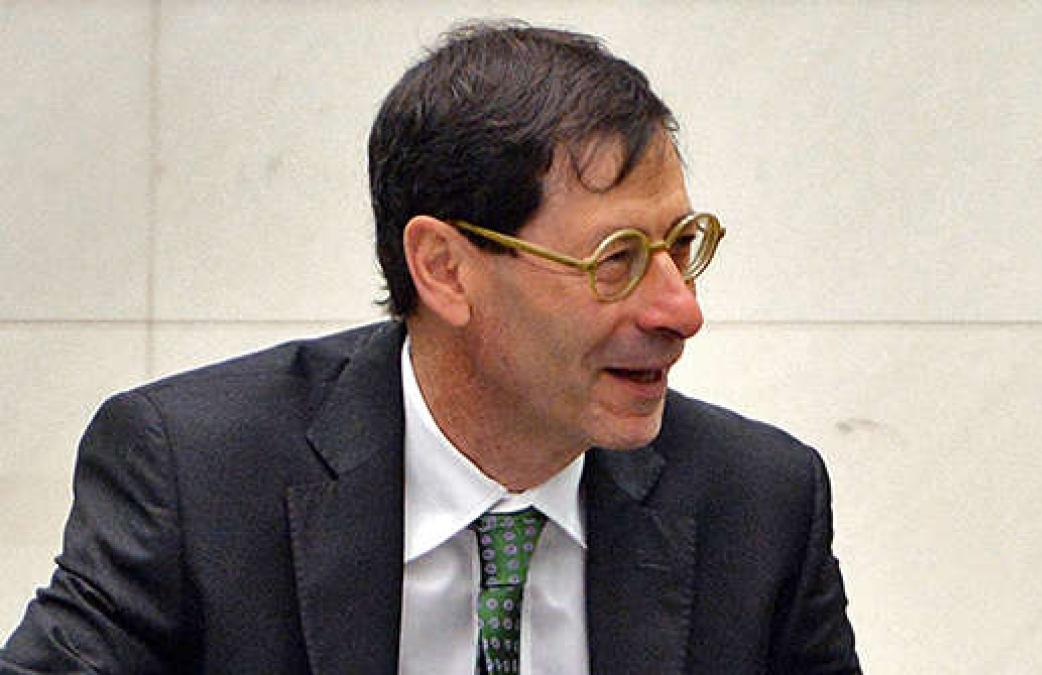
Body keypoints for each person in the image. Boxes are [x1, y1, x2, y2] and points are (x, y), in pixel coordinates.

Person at [0, 21, 859, 674]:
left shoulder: (761, 505)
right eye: (616, 259)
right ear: (445, 269)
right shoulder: (198, 475)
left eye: (681, 245)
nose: (681, 310)